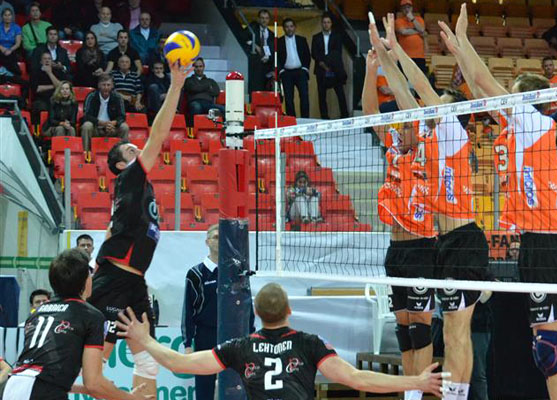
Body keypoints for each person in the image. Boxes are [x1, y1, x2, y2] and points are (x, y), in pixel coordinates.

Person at [439, 6, 557, 399]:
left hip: (550, 244)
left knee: (550, 351)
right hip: (532, 244)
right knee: (542, 351)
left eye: (513, 95)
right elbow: (478, 86)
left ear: (529, 100)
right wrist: (459, 52)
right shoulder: (515, 129)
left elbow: (485, 81)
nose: (503, 102)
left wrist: (464, 39)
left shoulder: (536, 123)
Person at [377, 13, 489, 400]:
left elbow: (421, 87)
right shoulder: (431, 138)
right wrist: (384, 52)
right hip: (445, 241)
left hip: (464, 239)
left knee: (457, 333)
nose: (429, 108)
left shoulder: (453, 130)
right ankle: (445, 394)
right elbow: (405, 95)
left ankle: (457, 396)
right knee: (452, 332)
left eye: (437, 105)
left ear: (450, 112)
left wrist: (400, 52)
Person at [118, 283, 448, 398]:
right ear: (289, 310)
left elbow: (180, 362)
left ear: (256, 313)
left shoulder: (240, 347)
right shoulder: (309, 343)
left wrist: (145, 340)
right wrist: (416, 381)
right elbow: (357, 378)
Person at [86, 61, 190, 399]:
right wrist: (176, 86)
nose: (138, 148)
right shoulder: (130, 176)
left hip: (133, 281)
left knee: (147, 361)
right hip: (115, 280)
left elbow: (110, 228)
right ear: (121, 165)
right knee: (95, 362)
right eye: (131, 149)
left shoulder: (137, 189)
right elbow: (158, 135)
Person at [367, 28, 439, 399]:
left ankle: (419, 393)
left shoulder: (429, 147)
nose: (402, 128)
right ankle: (411, 392)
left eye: (408, 124)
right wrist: (372, 68)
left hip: (422, 247)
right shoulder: (394, 148)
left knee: (421, 328)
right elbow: (369, 113)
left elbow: (412, 104)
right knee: (404, 328)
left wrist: (392, 57)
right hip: (396, 250)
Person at [3, 249, 150, 400]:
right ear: (86, 280)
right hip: (40, 391)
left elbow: (40, 373)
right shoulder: (91, 315)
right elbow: (94, 383)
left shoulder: (37, 313)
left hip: (13, 387)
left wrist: (84, 390)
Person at [181, 224, 255, 400]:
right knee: (204, 387)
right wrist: (188, 344)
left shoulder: (236, 272)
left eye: (222, 238)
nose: (219, 241)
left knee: (235, 385)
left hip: (233, 334)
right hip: (205, 336)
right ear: (207, 242)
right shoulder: (195, 274)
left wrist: (251, 334)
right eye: (215, 237)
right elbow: (188, 311)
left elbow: (247, 305)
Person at [312, 13, 349, 119]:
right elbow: (314, 53)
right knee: (321, 94)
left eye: (328, 22)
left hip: (334, 68)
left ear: (331, 23)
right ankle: (324, 116)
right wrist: (323, 64)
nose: (326, 24)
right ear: (321, 23)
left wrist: (329, 65)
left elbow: (337, 53)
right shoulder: (316, 37)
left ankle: (345, 115)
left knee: (340, 92)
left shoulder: (337, 36)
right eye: (324, 22)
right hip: (321, 69)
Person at [81, 73, 129, 151]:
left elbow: (122, 116)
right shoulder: (91, 96)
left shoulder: (117, 97)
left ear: (112, 86)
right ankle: (86, 153)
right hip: (96, 127)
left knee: (124, 127)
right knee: (87, 126)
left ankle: (122, 153)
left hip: (112, 128)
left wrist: (113, 123)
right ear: (99, 85)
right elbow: (86, 116)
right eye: (103, 85)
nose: (106, 87)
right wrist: (101, 123)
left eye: (108, 85)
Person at [277, 17, 311, 118]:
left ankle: (305, 119)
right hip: (286, 73)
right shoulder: (279, 42)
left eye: (291, 26)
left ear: (295, 27)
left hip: (301, 72)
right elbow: (277, 57)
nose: (289, 29)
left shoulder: (302, 40)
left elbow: (307, 55)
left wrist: (305, 69)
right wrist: (281, 71)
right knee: (288, 98)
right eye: (287, 27)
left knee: (304, 96)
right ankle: (292, 119)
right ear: (284, 28)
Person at [184, 57, 223, 124]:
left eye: (200, 66)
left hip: (208, 104)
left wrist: (198, 88)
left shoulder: (210, 81)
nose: (199, 69)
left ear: (204, 67)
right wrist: (207, 87)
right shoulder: (188, 80)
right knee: (196, 107)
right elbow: (193, 88)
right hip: (195, 102)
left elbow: (216, 92)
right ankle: (193, 128)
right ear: (193, 68)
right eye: (196, 67)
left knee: (222, 109)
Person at [31, 51, 66, 124]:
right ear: (41, 62)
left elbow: (61, 87)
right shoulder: (35, 72)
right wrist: (53, 86)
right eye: (45, 59)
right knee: (40, 106)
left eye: (49, 59)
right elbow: (37, 89)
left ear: (52, 61)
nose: (47, 61)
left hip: (56, 99)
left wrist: (49, 73)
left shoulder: (58, 72)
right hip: (41, 99)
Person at [246, 9, 275, 92]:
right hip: (255, 66)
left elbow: (274, 53)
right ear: (258, 19)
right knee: (256, 91)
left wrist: (273, 69)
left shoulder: (272, 34)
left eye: (266, 18)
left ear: (269, 20)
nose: (264, 20)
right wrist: (254, 45)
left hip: (268, 67)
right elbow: (243, 38)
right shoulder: (252, 30)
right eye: (262, 18)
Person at [395, 0, 427, 75]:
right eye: (404, 8)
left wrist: (412, 19)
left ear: (412, 8)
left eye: (408, 7)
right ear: (401, 9)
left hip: (419, 56)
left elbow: (422, 29)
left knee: (420, 79)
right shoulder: (398, 21)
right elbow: (403, 32)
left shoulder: (419, 19)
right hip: (404, 56)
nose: (407, 9)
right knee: (403, 79)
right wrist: (418, 31)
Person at [0, 7, 21, 78]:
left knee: (10, 56)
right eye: (5, 15)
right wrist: (3, 49)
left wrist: (10, 50)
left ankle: (5, 72)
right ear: (2, 17)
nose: (7, 17)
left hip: (12, 50)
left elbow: (18, 43)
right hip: (0, 49)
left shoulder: (16, 28)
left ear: (12, 16)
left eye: (9, 15)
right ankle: (13, 73)